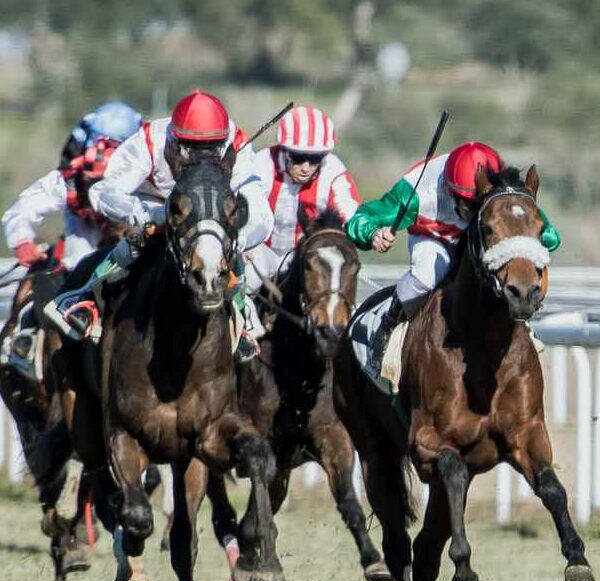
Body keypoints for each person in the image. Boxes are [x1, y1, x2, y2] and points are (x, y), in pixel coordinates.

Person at [43, 90, 273, 360]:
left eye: (211, 148)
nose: (201, 157)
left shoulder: (237, 144)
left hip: (208, 219)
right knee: (134, 246)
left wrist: (238, 239)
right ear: (174, 141)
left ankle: (241, 314)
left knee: (228, 251)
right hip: (154, 209)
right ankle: (86, 299)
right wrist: (147, 214)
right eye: (192, 148)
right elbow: (103, 192)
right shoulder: (149, 139)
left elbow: (262, 215)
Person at [345, 141, 560, 377]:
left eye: (474, 202)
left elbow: (546, 233)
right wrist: (372, 234)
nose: (469, 209)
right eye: (463, 201)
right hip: (434, 237)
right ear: (448, 187)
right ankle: (389, 325)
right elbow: (362, 218)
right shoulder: (417, 188)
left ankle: (520, 327)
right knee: (427, 274)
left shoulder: (500, 181)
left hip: (483, 235)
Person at [1, 102, 143, 379]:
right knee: (77, 266)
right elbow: (23, 208)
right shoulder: (70, 179)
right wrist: (23, 242)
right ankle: (26, 341)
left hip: (132, 227)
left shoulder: (145, 173)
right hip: (85, 229)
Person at [246, 105, 360, 291]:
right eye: (299, 157)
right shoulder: (261, 164)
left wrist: (371, 233)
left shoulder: (334, 170)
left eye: (315, 159)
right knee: (249, 277)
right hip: (262, 251)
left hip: (306, 254)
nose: (306, 167)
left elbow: (351, 216)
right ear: (285, 151)